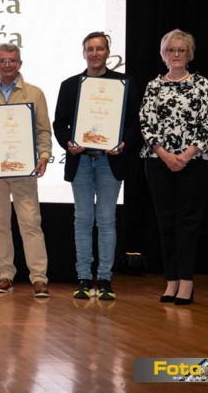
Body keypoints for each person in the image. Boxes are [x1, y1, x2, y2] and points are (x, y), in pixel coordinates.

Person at [53, 31, 140, 301]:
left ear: (107, 52)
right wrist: (68, 143)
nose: (94, 54)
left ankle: (104, 280)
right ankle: (82, 279)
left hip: (109, 161)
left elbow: (134, 123)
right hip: (80, 160)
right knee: (82, 220)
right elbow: (59, 123)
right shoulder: (70, 85)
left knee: (106, 220)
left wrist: (123, 143)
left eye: (99, 48)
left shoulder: (124, 83)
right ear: (83, 53)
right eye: (89, 49)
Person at [139, 28, 208, 305]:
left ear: (189, 54)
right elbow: (146, 123)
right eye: (171, 50)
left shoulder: (202, 84)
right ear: (163, 54)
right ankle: (171, 281)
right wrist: (165, 155)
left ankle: (186, 282)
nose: (176, 54)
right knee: (165, 222)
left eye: (181, 50)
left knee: (187, 223)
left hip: (195, 162)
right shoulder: (153, 86)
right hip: (157, 161)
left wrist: (186, 155)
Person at [0, 43, 53, 297]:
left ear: (20, 64)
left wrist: (44, 156)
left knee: (30, 223)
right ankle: (5, 275)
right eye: (2, 61)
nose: (7, 65)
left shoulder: (35, 93)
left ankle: (39, 278)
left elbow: (43, 130)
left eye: (12, 60)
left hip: (24, 166)